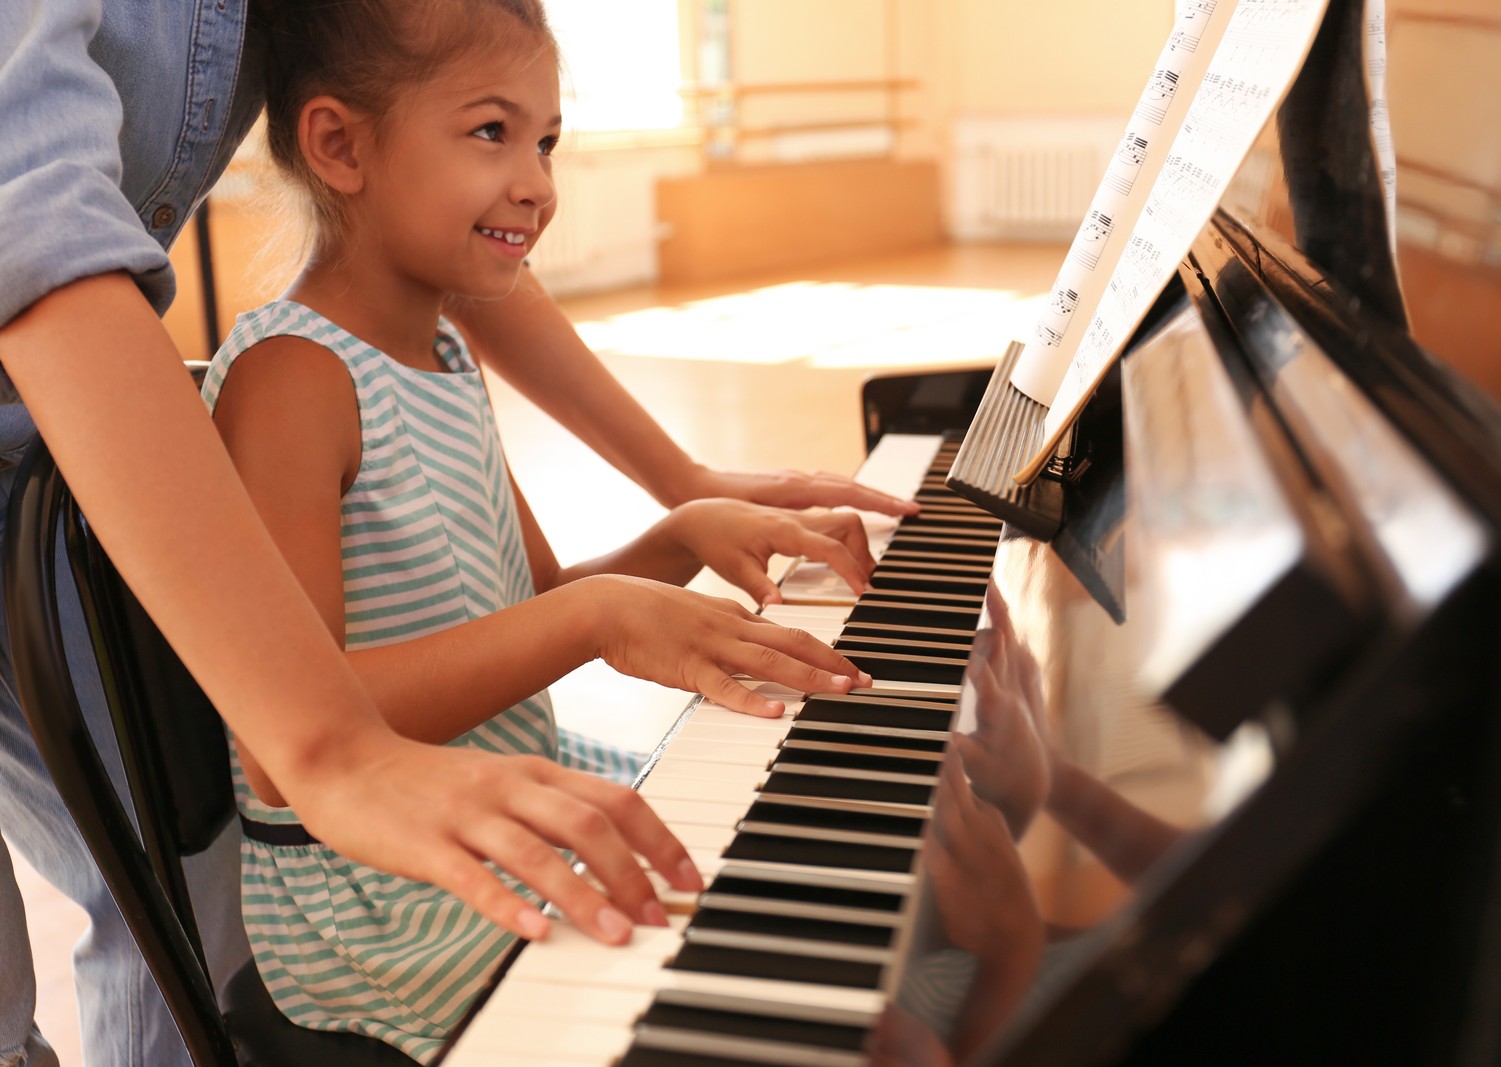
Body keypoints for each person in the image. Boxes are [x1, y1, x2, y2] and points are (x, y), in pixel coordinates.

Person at [0, 1, 914, 1064]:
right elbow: (295, 733)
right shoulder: (294, 381)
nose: (538, 180)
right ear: (338, 145)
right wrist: (595, 614)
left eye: (548, 141)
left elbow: (532, 603)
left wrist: (679, 525)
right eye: (492, 133)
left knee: (816, 909)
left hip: (471, 795)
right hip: (369, 906)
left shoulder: (440, 353)